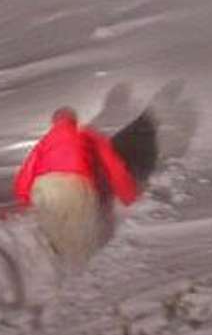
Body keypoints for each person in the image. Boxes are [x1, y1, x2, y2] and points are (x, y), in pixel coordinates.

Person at [14, 107, 140, 266]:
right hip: (76, 183)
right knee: (83, 235)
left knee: (55, 230)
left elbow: (28, 169)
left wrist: (23, 196)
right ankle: (85, 272)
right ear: (75, 120)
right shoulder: (87, 134)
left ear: (54, 123)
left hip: (44, 186)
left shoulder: (45, 140)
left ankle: (56, 265)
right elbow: (113, 165)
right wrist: (128, 194)